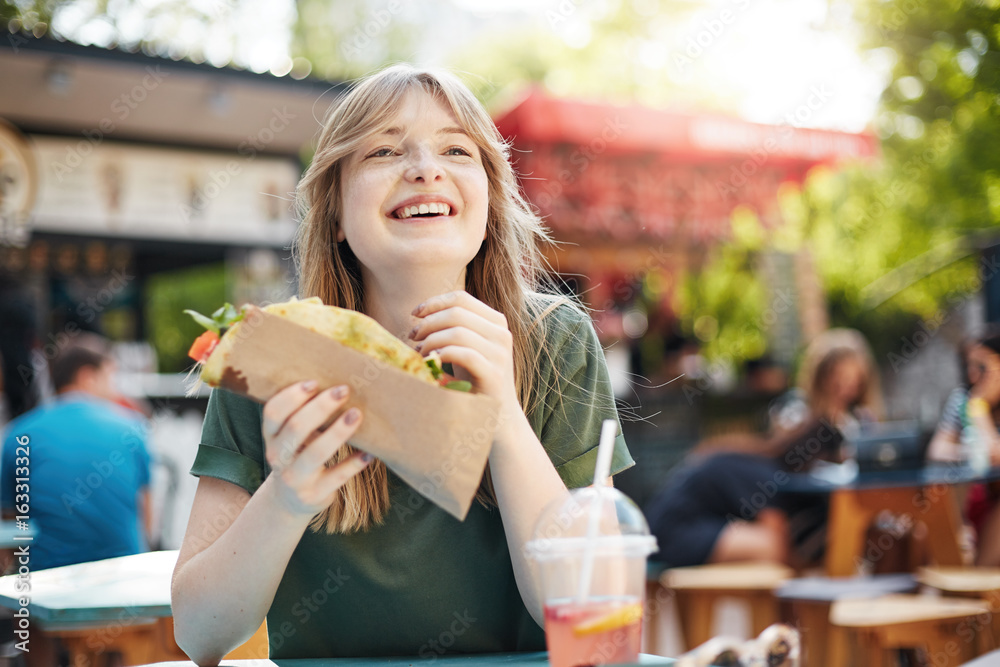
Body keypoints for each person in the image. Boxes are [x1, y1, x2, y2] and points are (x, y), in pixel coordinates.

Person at [170, 64, 633, 663]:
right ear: (335, 213)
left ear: (491, 202)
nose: (423, 168)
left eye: (455, 149)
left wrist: (504, 419)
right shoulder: (273, 352)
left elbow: (592, 616)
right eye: (384, 150)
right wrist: (286, 497)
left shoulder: (555, 340)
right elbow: (199, 633)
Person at [0, 335, 153, 570]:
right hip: (125, 577)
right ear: (87, 376)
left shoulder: (17, 433)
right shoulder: (132, 428)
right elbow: (147, 520)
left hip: (45, 584)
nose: (115, 389)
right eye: (110, 377)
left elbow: (11, 525)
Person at [645, 419, 842, 569]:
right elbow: (776, 530)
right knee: (775, 548)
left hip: (672, 526)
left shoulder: (758, 459)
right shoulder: (767, 474)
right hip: (672, 533)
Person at [927, 327, 1000, 565]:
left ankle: (976, 585)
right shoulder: (962, 399)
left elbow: (995, 456)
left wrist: (979, 409)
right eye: (969, 366)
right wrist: (971, 452)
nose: (972, 376)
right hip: (970, 497)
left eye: (982, 367)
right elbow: (937, 449)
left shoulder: (974, 404)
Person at [769, 328, 885, 440]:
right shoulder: (799, 413)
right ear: (820, 379)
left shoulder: (861, 420)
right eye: (837, 383)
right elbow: (778, 443)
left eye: (852, 384)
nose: (844, 391)